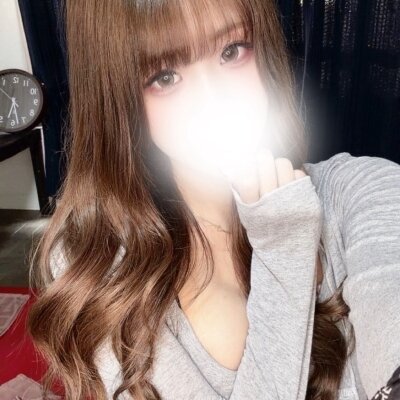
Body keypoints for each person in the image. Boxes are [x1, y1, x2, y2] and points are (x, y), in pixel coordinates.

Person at [26, 0, 400, 399]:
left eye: (232, 51)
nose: (215, 99)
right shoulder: (95, 259)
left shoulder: (359, 188)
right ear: (117, 97)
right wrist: (284, 248)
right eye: (165, 76)